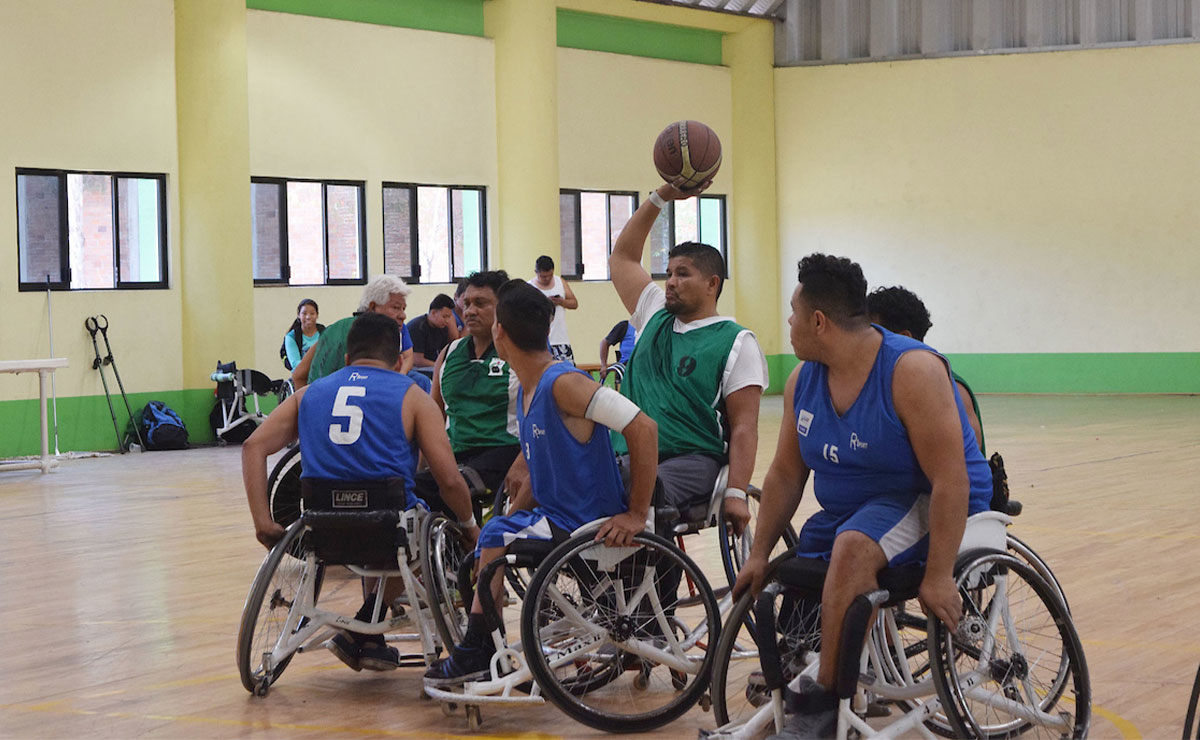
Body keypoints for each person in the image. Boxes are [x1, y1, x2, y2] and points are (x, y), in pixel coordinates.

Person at [733, 254, 993, 739]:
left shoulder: (911, 370)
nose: (787, 323)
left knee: (853, 548)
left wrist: (938, 576)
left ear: (818, 321)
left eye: (792, 312)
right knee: (802, 564)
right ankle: (809, 677)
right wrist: (759, 552)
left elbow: (950, 480)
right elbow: (787, 473)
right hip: (860, 507)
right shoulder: (802, 380)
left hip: (928, 499)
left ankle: (822, 702)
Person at [424, 280, 657, 686]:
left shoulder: (564, 383)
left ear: (499, 331)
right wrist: (509, 519)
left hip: (587, 520)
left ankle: (476, 651)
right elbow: (537, 469)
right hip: (559, 516)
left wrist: (637, 513)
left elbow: (644, 427)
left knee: (493, 539)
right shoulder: (526, 389)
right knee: (490, 538)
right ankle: (487, 649)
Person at [243, 312, 480, 672]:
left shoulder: (308, 394)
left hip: (321, 526)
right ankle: (372, 625)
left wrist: (263, 521)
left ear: (347, 359)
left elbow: (252, 448)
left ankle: (366, 632)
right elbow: (448, 481)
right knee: (418, 519)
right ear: (401, 360)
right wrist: (468, 526)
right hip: (387, 528)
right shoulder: (414, 397)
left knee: (398, 517)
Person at [608, 179, 766, 536]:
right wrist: (661, 197)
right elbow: (623, 257)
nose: (670, 282)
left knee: (639, 488)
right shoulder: (653, 311)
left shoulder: (736, 341)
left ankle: (656, 589)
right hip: (627, 455)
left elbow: (744, 427)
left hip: (690, 459)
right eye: (668, 274)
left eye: (683, 274)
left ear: (713, 283)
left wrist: (737, 492)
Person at [413, 270, 527, 518]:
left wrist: (524, 463)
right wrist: (420, 464)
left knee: (448, 486)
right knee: (407, 486)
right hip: (454, 454)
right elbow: (433, 415)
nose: (470, 311)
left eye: (481, 303)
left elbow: (541, 415)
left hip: (502, 451)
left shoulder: (520, 352)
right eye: (466, 304)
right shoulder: (449, 352)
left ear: (502, 307)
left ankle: (472, 538)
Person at [867, 285, 984, 452]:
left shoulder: (951, 387)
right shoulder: (879, 383)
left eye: (873, 333)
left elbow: (965, 462)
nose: (864, 341)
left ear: (903, 337)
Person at [290, 274, 432, 394]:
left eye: (403, 308)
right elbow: (298, 375)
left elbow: (298, 375)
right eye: (395, 308)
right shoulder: (341, 332)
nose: (403, 315)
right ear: (372, 306)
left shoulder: (397, 330)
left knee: (421, 381)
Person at [527, 255, 578, 364]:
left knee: (567, 373)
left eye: (550, 276)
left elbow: (574, 303)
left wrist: (561, 302)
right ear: (536, 272)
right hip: (540, 342)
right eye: (543, 277)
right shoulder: (529, 287)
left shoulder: (560, 282)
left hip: (560, 338)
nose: (547, 279)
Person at [406, 294, 460, 371]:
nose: (447, 321)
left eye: (449, 317)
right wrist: (440, 366)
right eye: (444, 317)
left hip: (433, 365)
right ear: (434, 313)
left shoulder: (442, 327)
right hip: (415, 368)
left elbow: (443, 353)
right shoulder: (417, 327)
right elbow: (417, 360)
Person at [281, 299, 324, 371]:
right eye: (304, 314)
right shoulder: (291, 337)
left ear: (317, 315)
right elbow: (295, 364)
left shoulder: (324, 333)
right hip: (302, 378)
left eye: (312, 313)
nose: (308, 317)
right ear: (298, 315)